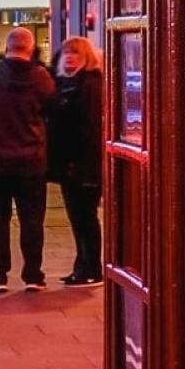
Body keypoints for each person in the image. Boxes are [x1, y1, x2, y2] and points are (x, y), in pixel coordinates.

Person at [0, 28, 57, 293]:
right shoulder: (42, 78)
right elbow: (52, 109)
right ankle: (33, 275)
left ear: (6, 47)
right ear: (31, 48)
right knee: (32, 222)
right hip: (32, 163)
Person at [50, 36, 107, 287]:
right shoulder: (63, 84)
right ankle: (81, 266)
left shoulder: (90, 85)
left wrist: (85, 166)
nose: (70, 56)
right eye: (66, 53)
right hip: (68, 164)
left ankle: (92, 268)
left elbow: (91, 130)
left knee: (86, 217)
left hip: (85, 165)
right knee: (77, 217)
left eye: (75, 53)